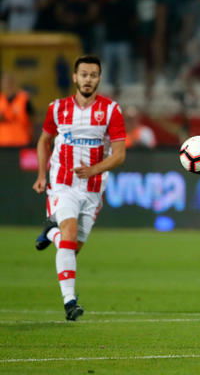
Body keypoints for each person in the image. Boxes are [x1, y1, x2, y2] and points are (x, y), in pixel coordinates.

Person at [32, 55, 126, 321]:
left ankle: (51, 232)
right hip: (63, 184)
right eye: (83, 74)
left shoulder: (111, 110)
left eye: (93, 75)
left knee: (71, 248)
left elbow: (119, 154)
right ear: (75, 77)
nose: (88, 79)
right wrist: (42, 175)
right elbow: (44, 142)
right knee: (70, 235)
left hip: (93, 188)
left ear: (99, 79)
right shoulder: (57, 108)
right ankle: (70, 302)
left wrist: (94, 170)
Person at [0, 72, 34, 147]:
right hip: (3, 143)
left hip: (22, 141)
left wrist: (31, 136)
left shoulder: (23, 99)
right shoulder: (1, 99)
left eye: (9, 82)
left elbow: (32, 119)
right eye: (5, 83)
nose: (8, 85)